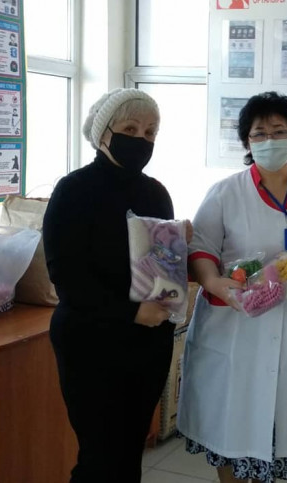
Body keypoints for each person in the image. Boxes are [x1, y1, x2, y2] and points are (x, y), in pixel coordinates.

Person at [178, 91, 287, 483]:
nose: (269, 140)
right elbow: (201, 249)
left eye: (278, 131)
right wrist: (214, 282)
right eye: (259, 133)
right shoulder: (225, 193)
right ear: (247, 142)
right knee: (230, 431)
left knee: (279, 433)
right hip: (234, 331)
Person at [44, 88, 185, 483]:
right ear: (103, 132)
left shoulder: (156, 193)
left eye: (150, 132)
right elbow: (66, 277)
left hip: (147, 344)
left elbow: (161, 266)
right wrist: (132, 312)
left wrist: (180, 246)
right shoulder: (73, 191)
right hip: (91, 342)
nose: (141, 139)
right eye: (130, 129)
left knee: (128, 454)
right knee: (99, 457)